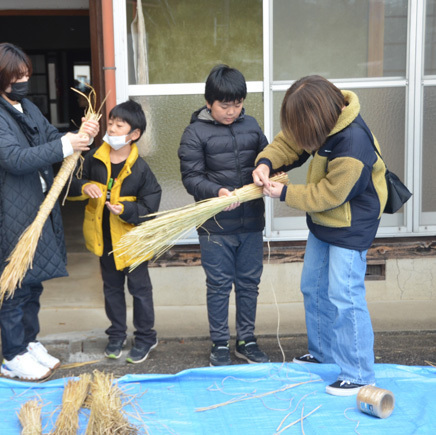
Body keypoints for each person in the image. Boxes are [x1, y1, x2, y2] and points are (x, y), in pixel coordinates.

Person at [253, 75, 388, 396]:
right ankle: (324, 351)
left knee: (345, 294)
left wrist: (284, 193)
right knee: (312, 286)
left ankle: (358, 372)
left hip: (352, 224)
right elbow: (289, 141)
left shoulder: (353, 144)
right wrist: (265, 161)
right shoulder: (324, 120)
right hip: (325, 220)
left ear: (318, 119)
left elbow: (330, 194)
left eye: (303, 128)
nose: (301, 136)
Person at [0, 43, 99, 381]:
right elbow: (14, 158)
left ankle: (29, 343)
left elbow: (49, 139)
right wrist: (64, 145)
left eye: (26, 74)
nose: (24, 80)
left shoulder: (26, 106)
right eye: (17, 76)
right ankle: (12, 356)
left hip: (34, 207)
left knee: (33, 282)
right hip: (4, 211)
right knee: (14, 283)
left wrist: (79, 135)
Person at [178, 65, 270, 366]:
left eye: (237, 104)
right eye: (224, 105)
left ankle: (247, 339)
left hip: (251, 221)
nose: (231, 112)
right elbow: (191, 178)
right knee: (218, 285)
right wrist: (217, 192)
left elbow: (269, 157)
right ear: (209, 102)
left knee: (248, 283)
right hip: (215, 226)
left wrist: (268, 168)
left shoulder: (252, 126)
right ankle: (219, 343)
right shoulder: (194, 133)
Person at [68, 100, 162, 364]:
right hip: (104, 239)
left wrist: (127, 210)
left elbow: (150, 204)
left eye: (119, 125)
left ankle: (145, 337)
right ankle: (116, 335)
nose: (111, 128)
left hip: (133, 241)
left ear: (135, 134)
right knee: (111, 289)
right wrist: (84, 187)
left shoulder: (141, 169)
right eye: (110, 123)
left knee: (140, 290)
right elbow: (71, 185)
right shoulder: (93, 157)